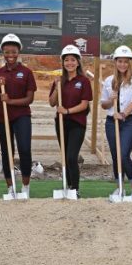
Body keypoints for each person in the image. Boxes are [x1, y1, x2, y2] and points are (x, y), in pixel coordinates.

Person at [0, 34, 37, 197]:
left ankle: (25, 186)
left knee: (24, 149)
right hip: (1, 118)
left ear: (18, 52)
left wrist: (10, 101)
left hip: (21, 116)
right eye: (7, 52)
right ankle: (10, 187)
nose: (10, 55)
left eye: (13, 52)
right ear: (2, 52)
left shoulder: (26, 72)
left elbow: (29, 99)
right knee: (7, 151)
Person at [101, 45, 132, 199]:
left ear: (130, 63)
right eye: (120, 61)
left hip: (129, 121)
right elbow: (103, 105)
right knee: (115, 156)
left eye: (126, 62)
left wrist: (124, 113)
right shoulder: (108, 81)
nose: (123, 64)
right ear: (115, 62)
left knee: (123, 154)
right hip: (111, 122)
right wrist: (109, 99)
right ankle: (120, 187)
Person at [49, 45, 92, 196]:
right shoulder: (59, 81)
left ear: (78, 62)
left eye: (73, 60)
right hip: (61, 124)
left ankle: (75, 189)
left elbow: (84, 104)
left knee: (71, 157)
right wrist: (56, 88)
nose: (69, 63)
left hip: (77, 123)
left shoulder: (84, 81)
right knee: (65, 157)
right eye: (66, 60)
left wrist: (67, 111)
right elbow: (52, 102)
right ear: (63, 63)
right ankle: (67, 187)